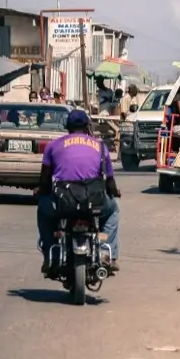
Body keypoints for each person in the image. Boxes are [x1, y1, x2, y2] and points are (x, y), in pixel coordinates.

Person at [36, 110, 121, 274]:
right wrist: (115, 192)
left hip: (63, 203)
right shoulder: (100, 147)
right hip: (93, 202)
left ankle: (49, 255)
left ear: (67, 126)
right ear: (87, 126)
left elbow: (45, 181)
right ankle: (105, 252)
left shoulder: (53, 146)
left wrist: (40, 191)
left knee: (43, 209)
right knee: (113, 210)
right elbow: (110, 181)